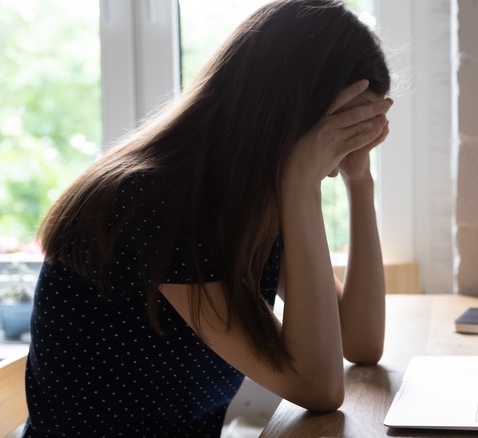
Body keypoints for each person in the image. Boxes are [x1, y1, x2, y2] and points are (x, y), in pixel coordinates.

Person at [22, 0, 392, 435]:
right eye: (342, 130)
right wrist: (301, 183)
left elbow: (361, 342)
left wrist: (360, 179)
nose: (341, 153)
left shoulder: (250, 200)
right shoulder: (157, 204)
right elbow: (319, 387)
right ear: (290, 112)